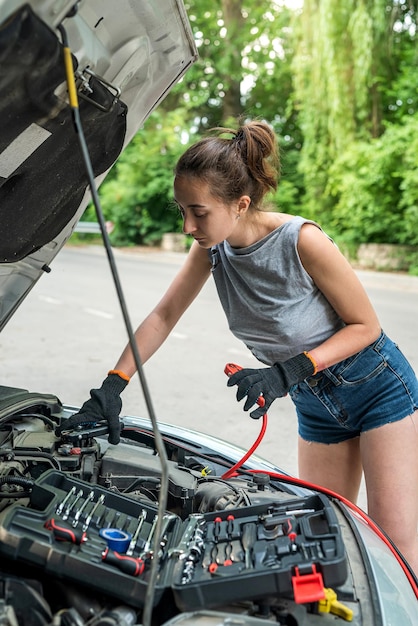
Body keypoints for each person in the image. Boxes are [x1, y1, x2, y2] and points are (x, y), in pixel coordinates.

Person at [57, 120, 418, 573]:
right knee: (326, 533)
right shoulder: (212, 249)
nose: (188, 225)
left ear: (240, 203)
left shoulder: (302, 240)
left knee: (394, 546)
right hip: (314, 401)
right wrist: (114, 383)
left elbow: (366, 326)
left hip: (376, 387)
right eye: (181, 210)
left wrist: (287, 371)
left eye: (199, 212)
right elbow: (162, 317)